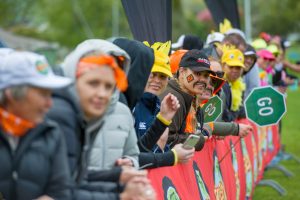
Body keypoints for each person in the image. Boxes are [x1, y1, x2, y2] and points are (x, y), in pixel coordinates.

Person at [49, 39, 155, 199]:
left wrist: (120, 172)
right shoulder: (61, 115)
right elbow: (59, 192)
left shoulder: (108, 113)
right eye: (93, 83)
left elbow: (76, 178)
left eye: (108, 86)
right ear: (74, 76)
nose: (102, 93)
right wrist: (120, 196)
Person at [0, 51, 72, 200]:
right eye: (43, 94)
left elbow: (62, 191)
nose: (49, 103)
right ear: (12, 94)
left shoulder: (51, 132)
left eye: (50, 94)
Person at [160, 49, 252, 150]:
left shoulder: (189, 98)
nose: (203, 80)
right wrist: (199, 140)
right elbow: (168, 141)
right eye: (197, 74)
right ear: (182, 72)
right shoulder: (175, 98)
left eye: (205, 75)